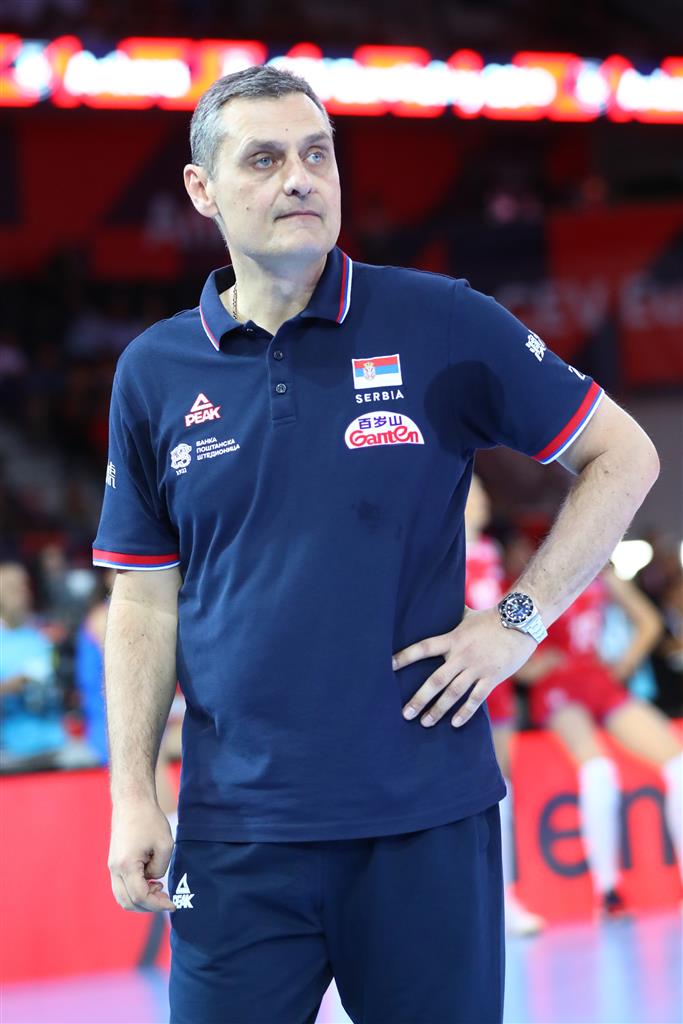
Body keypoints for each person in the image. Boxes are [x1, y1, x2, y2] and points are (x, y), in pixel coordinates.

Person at [94, 65, 660, 1024]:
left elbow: (625, 455)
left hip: (423, 821)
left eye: (316, 154)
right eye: (263, 160)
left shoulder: (438, 319)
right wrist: (132, 794)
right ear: (201, 189)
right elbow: (144, 602)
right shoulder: (153, 371)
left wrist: (518, 620)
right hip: (237, 836)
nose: (299, 179)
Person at [519, 567, 682, 913]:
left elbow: (649, 622)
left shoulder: (600, 573)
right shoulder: (539, 573)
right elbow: (506, 642)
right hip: (558, 684)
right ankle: (607, 892)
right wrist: (531, 668)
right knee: (598, 771)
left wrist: (626, 662)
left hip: (596, 679)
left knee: (679, 764)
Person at [464, 474, 545, 936]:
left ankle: (506, 897)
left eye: (482, 494)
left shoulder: (490, 552)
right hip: (463, 679)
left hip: (497, 684)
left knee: (503, 791)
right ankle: (480, 899)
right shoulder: (440, 551)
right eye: (472, 494)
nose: (480, 502)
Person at [0, 561, 68, 771]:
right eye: (13, 588)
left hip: (54, 744)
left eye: (24, 586)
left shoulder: (40, 637)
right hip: (10, 752)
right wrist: (10, 685)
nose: (22, 594)